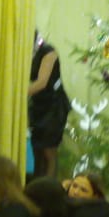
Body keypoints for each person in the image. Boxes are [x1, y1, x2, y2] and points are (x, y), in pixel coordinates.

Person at [28, 31, 71, 178]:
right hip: (38, 105)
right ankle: (36, 186)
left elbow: (41, 83)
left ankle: (48, 187)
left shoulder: (48, 52)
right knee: (37, 150)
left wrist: (16, 94)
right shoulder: (28, 53)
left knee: (48, 150)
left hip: (54, 106)